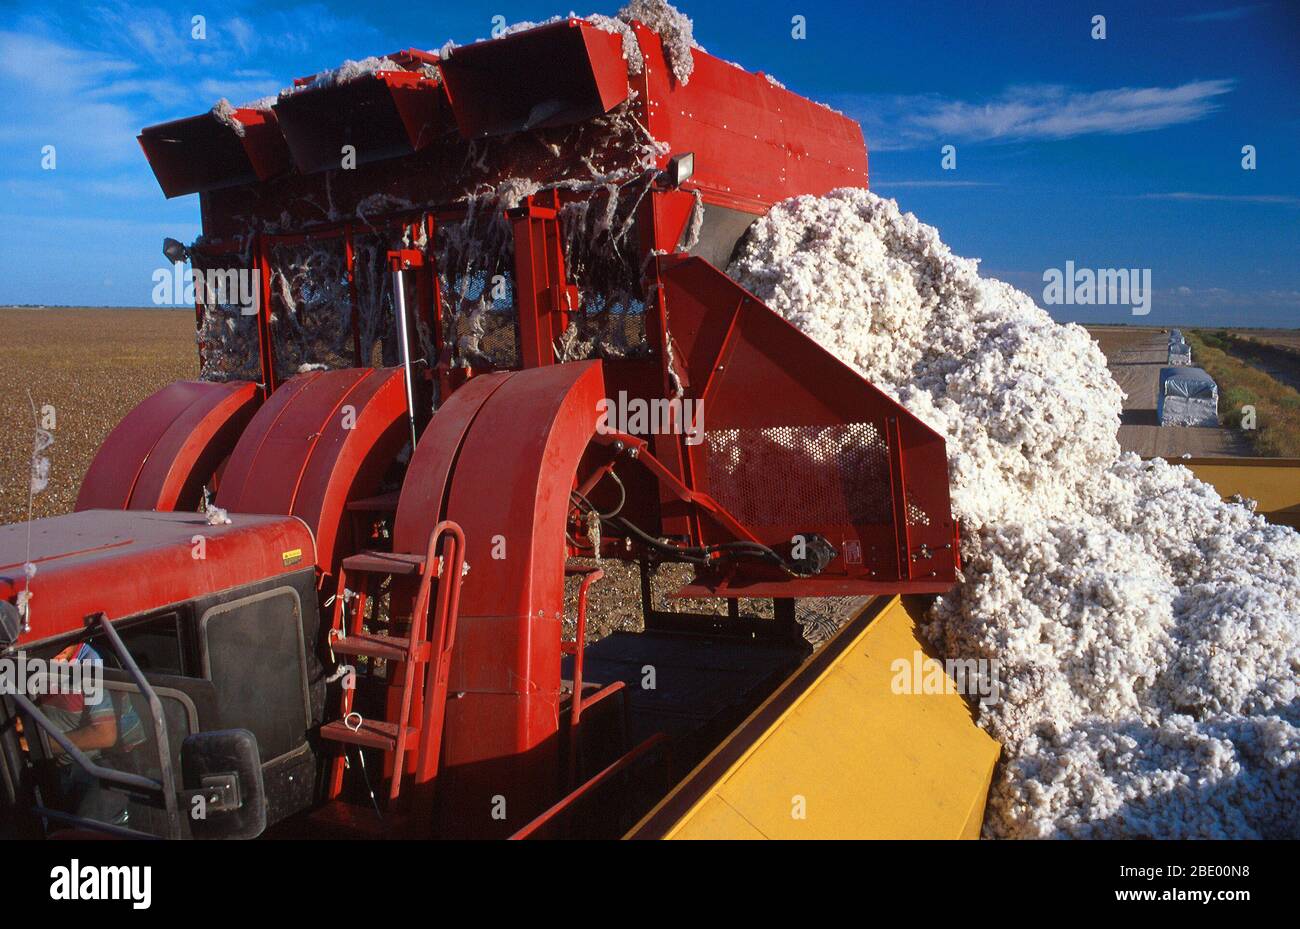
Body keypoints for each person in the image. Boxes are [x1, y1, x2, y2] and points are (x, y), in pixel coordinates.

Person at [38, 640, 146, 826]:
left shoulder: (91, 664)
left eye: (62, 649)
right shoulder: (36, 660)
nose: (56, 655)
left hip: (107, 762)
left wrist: (42, 744)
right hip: (60, 763)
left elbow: (105, 734)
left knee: (88, 826)